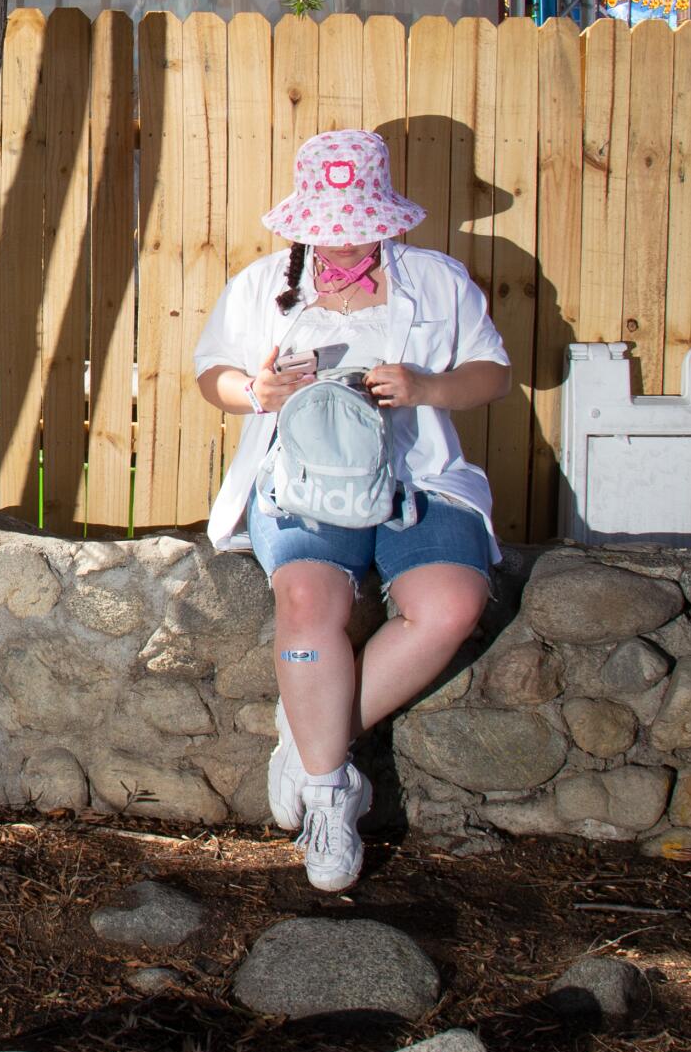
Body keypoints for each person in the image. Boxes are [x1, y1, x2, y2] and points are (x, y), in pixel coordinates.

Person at [193, 129, 508, 893]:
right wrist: (255, 392)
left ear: (385, 217)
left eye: (355, 227)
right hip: (303, 482)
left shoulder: (437, 281)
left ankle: (307, 739)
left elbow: (490, 374)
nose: (338, 246)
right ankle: (332, 793)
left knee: (451, 604)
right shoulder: (266, 284)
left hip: (420, 476)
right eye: (325, 229)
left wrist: (428, 389)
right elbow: (214, 375)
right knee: (306, 596)